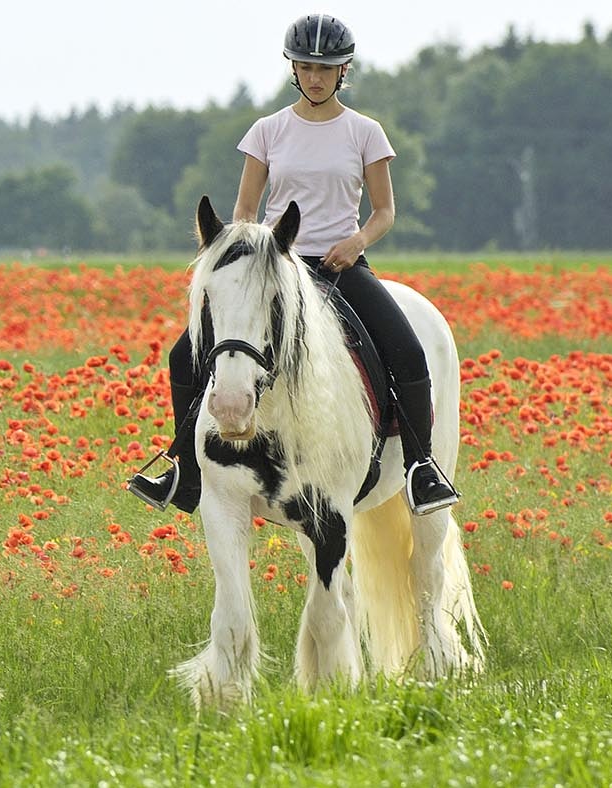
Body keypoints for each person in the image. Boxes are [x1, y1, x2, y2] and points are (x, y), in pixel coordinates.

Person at [128, 12, 460, 516]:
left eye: (326, 68)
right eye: (306, 67)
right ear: (294, 68)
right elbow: (244, 212)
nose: (315, 77)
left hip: (340, 266)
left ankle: (421, 469)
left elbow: (385, 211)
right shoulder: (267, 131)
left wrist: (355, 242)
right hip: (275, 270)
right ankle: (186, 471)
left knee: (409, 352)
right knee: (184, 355)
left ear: (344, 71)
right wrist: (246, 255)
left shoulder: (364, 132)